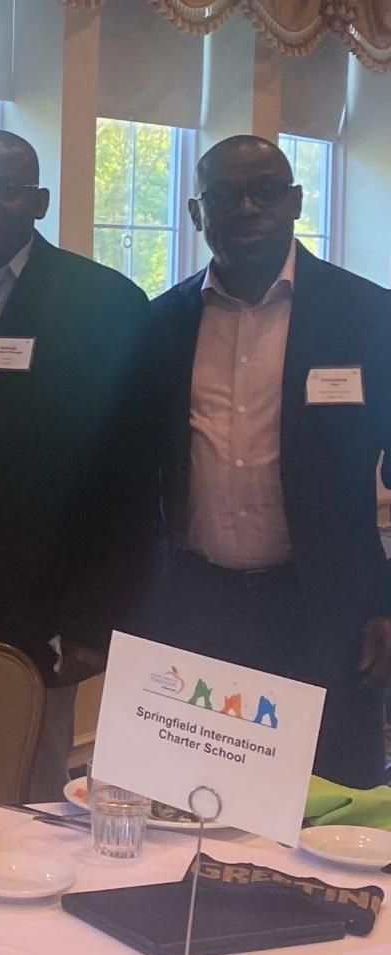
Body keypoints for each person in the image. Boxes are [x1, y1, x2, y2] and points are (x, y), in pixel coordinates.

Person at [0, 130, 157, 801]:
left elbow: (129, 480)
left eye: (7, 189)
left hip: (37, 608)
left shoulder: (105, 306)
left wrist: (94, 621)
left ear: (39, 201)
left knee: (26, 799)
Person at [138, 135, 391, 788]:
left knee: (324, 806)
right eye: (223, 196)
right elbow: (135, 475)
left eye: (265, 191)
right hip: (197, 608)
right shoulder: (161, 324)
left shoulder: (369, 315)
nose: (246, 208)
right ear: (197, 214)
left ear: (296, 202)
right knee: (195, 803)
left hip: (324, 609)